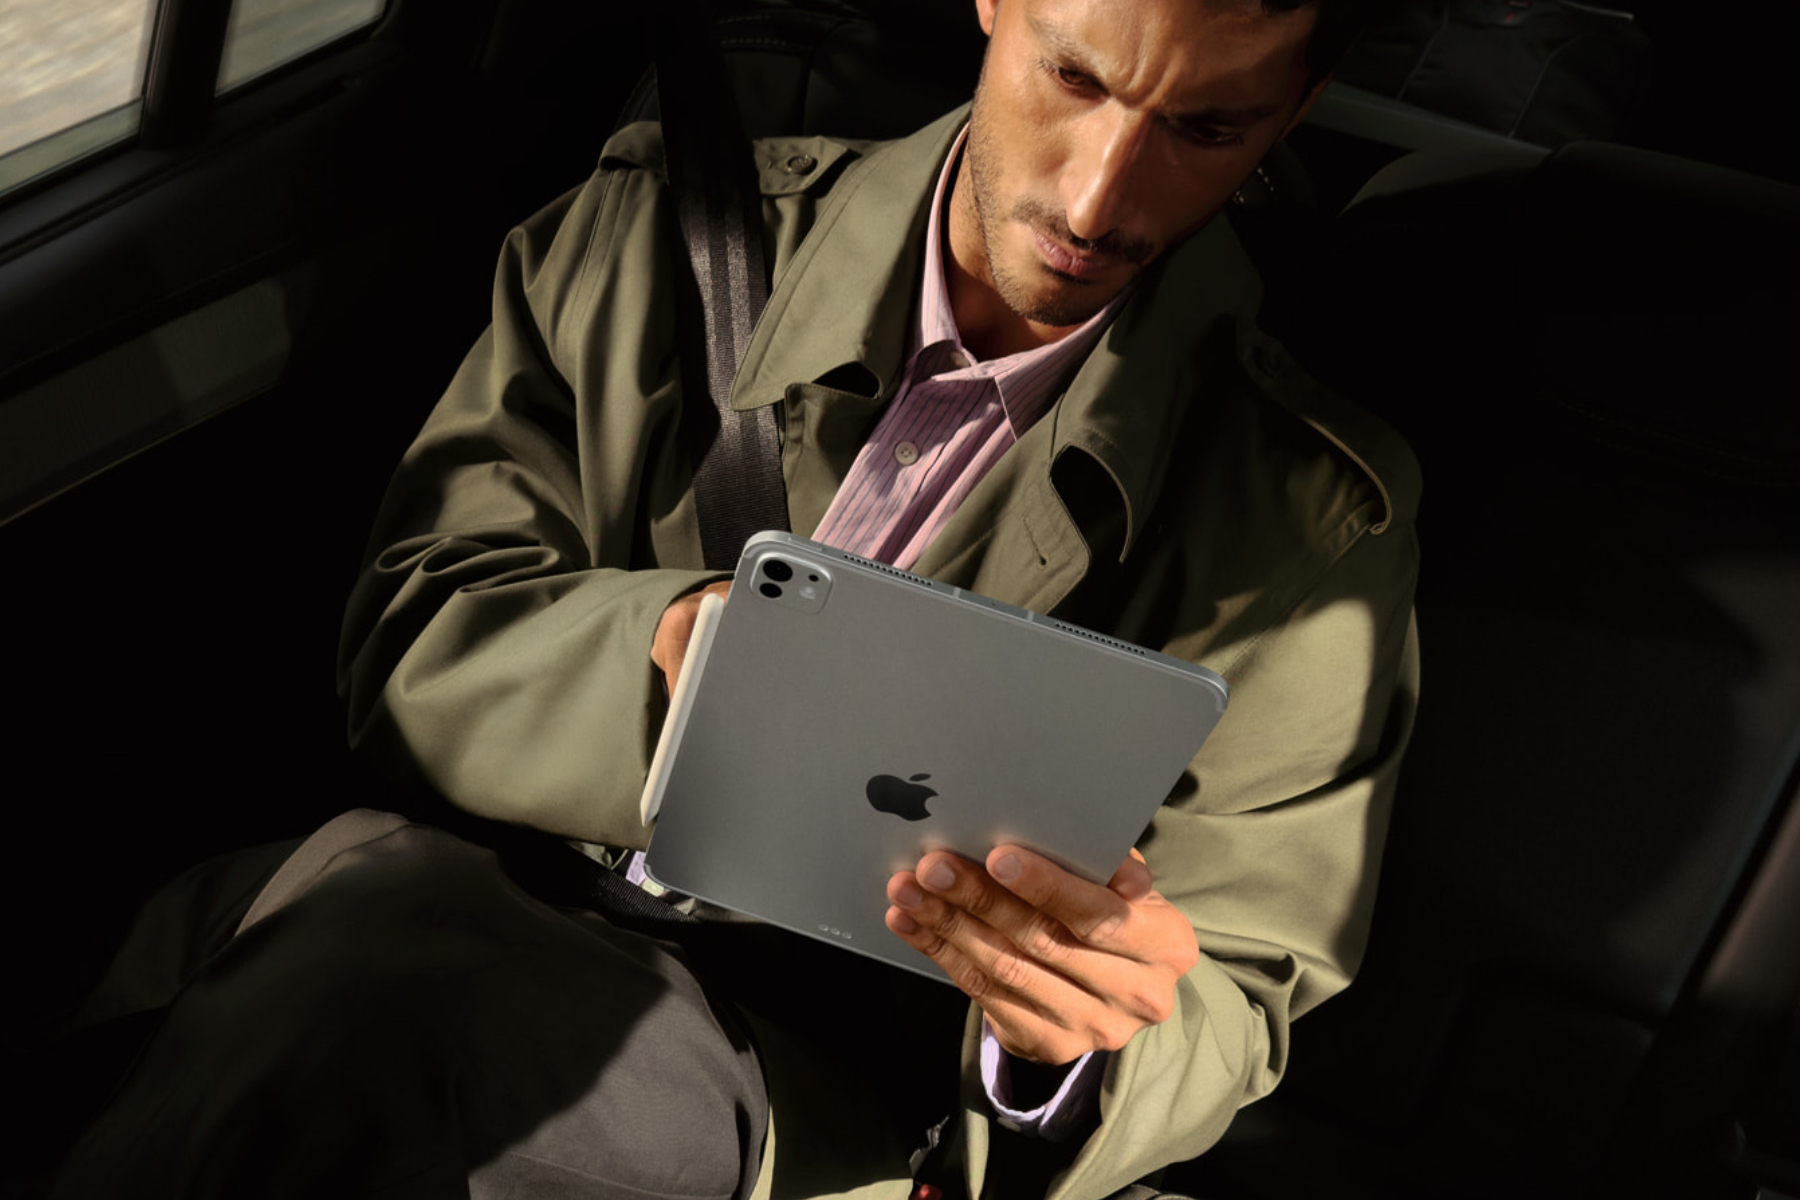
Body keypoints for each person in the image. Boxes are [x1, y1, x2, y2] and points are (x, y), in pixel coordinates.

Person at [49, 0, 1418, 1198]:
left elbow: (1236, 987)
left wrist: (1060, 1041)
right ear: (993, 1)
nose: (1100, 198)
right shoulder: (661, 231)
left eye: (1208, 130)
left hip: (783, 1065)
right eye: (1077, 79)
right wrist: (664, 654)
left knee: (372, 988)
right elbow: (415, 628)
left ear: (1289, 115)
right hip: (439, 896)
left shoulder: (1306, 514)